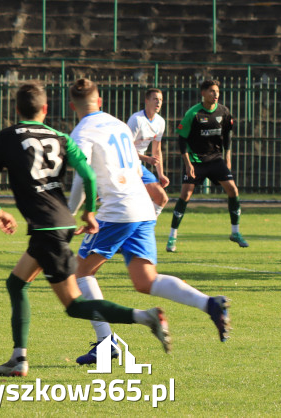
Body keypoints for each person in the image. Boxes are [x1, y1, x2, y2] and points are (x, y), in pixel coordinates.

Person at [0, 82, 170, 377]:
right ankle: (18, 357)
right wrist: (90, 211)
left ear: (16, 110)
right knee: (16, 283)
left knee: (74, 305)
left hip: (46, 228)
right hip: (62, 220)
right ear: (45, 109)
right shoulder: (61, 136)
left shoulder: (6, 137)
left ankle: (145, 318)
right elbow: (89, 175)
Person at [64, 79, 231, 365]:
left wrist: (71, 215)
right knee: (145, 280)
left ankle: (106, 344)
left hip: (116, 210)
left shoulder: (81, 133)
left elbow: (82, 176)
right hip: (141, 206)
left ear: (72, 106)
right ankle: (209, 303)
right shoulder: (118, 124)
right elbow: (134, 165)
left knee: (80, 273)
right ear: (100, 101)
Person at [167, 79, 246, 252]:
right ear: (203, 93)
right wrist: (187, 164)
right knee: (185, 194)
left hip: (216, 159)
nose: (215, 94)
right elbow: (182, 139)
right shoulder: (193, 114)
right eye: (211, 91)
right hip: (195, 160)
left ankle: (235, 232)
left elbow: (227, 136)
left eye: (217, 91)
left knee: (233, 190)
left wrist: (228, 157)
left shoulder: (224, 112)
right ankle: (172, 237)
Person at [126, 88, 170, 216]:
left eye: (161, 100)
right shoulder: (136, 120)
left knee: (162, 198)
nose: (158, 102)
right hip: (124, 164)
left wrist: (161, 174)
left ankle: (145, 227)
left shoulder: (160, 122)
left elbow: (157, 150)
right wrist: (146, 159)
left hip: (137, 166)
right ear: (146, 101)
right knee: (105, 195)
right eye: (155, 99)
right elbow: (125, 149)